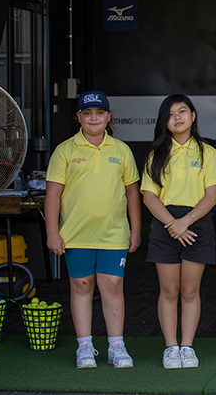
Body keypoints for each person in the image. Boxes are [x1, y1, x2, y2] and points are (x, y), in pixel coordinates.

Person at [45, 90, 141, 369]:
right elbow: (52, 195)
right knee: (82, 285)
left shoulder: (121, 150)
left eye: (100, 113)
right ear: (78, 117)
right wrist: (53, 232)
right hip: (76, 234)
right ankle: (84, 346)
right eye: (87, 113)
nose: (94, 118)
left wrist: (136, 230)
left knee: (112, 285)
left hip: (113, 234)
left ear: (109, 116)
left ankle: (116, 346)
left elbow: (133, 193)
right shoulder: (65, 150)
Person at [141, 94, 216, 369]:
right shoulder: (156, 154)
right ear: (164, 123)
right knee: (168, 290)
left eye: (182, 111)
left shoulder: (207, 153)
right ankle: (170, 347)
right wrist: (173, 225)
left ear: (193, 116)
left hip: (196, 223)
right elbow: (149, 197)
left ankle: (187, 346)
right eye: (171, 114)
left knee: (190, 290)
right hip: (165, 223)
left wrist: (185, 222)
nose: (177, 117)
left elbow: (211, 196)